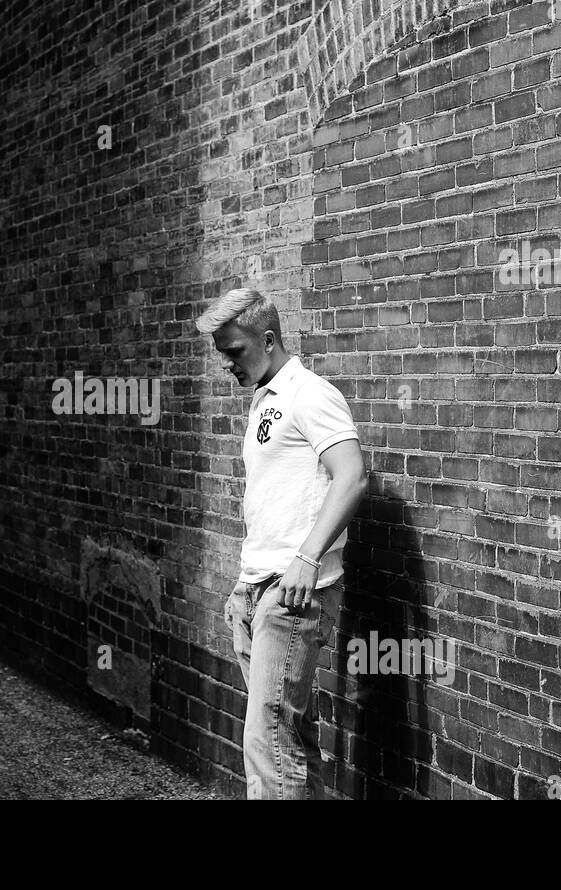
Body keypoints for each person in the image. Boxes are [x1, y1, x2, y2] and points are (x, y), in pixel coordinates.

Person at [196, 288, 367, 800]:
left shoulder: (309, 393)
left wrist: (307, 558)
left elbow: (352, 475)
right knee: (286, 740)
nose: (227, 364)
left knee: (267, 749)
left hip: (292, 596)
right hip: (259, 591)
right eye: (221, 354)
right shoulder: (265, 399)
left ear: (267, 340)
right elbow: (275, 501)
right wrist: (243, 586)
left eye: (234, 352)